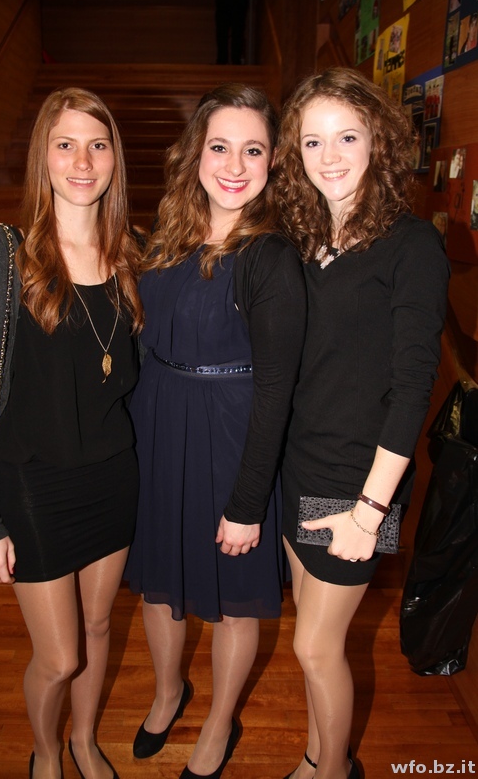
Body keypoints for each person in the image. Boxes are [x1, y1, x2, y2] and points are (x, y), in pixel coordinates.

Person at [0, 87, 144, 779]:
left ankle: (86, 741)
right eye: (65, 145)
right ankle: (46, 750)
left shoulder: (131, 254)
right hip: (32, 482)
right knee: (60, 656)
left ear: (114, 159)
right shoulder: (6, 254)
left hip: (112, 476)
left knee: (97, 629)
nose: (82, 161)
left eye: (97, 145)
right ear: (44, 156)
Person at [125, 83, 306, 778]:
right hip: (159, 426)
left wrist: (247, 502)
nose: (234, 165)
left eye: (252, 150)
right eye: (220, 146)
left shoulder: (269, 256)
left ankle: (220, 722)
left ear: (273, 161)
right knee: (159, 582)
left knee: (233, 600)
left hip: (232, 437)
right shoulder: (165, 236)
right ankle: (168, 692)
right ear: (194, 153)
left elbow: (276, 390)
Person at [274, 67, 450, 779]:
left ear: (378, 139)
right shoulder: (302, 237)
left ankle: (331, 773)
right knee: (313, 642)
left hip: (358, 483)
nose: (330, 156)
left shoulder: (412, 245)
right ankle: (319, 756)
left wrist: (370, 511)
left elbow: (412, 390)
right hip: (298, 465)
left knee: (315, 647)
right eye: (312, 141)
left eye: (346, 136)